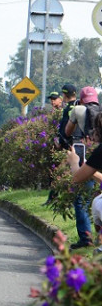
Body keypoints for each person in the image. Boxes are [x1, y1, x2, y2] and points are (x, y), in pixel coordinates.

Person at [63, 86, 100, 250]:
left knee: (82, 199)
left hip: (87, 154)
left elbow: (67, 131)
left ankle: (86, 238)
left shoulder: (78, 109)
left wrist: (74, 162)